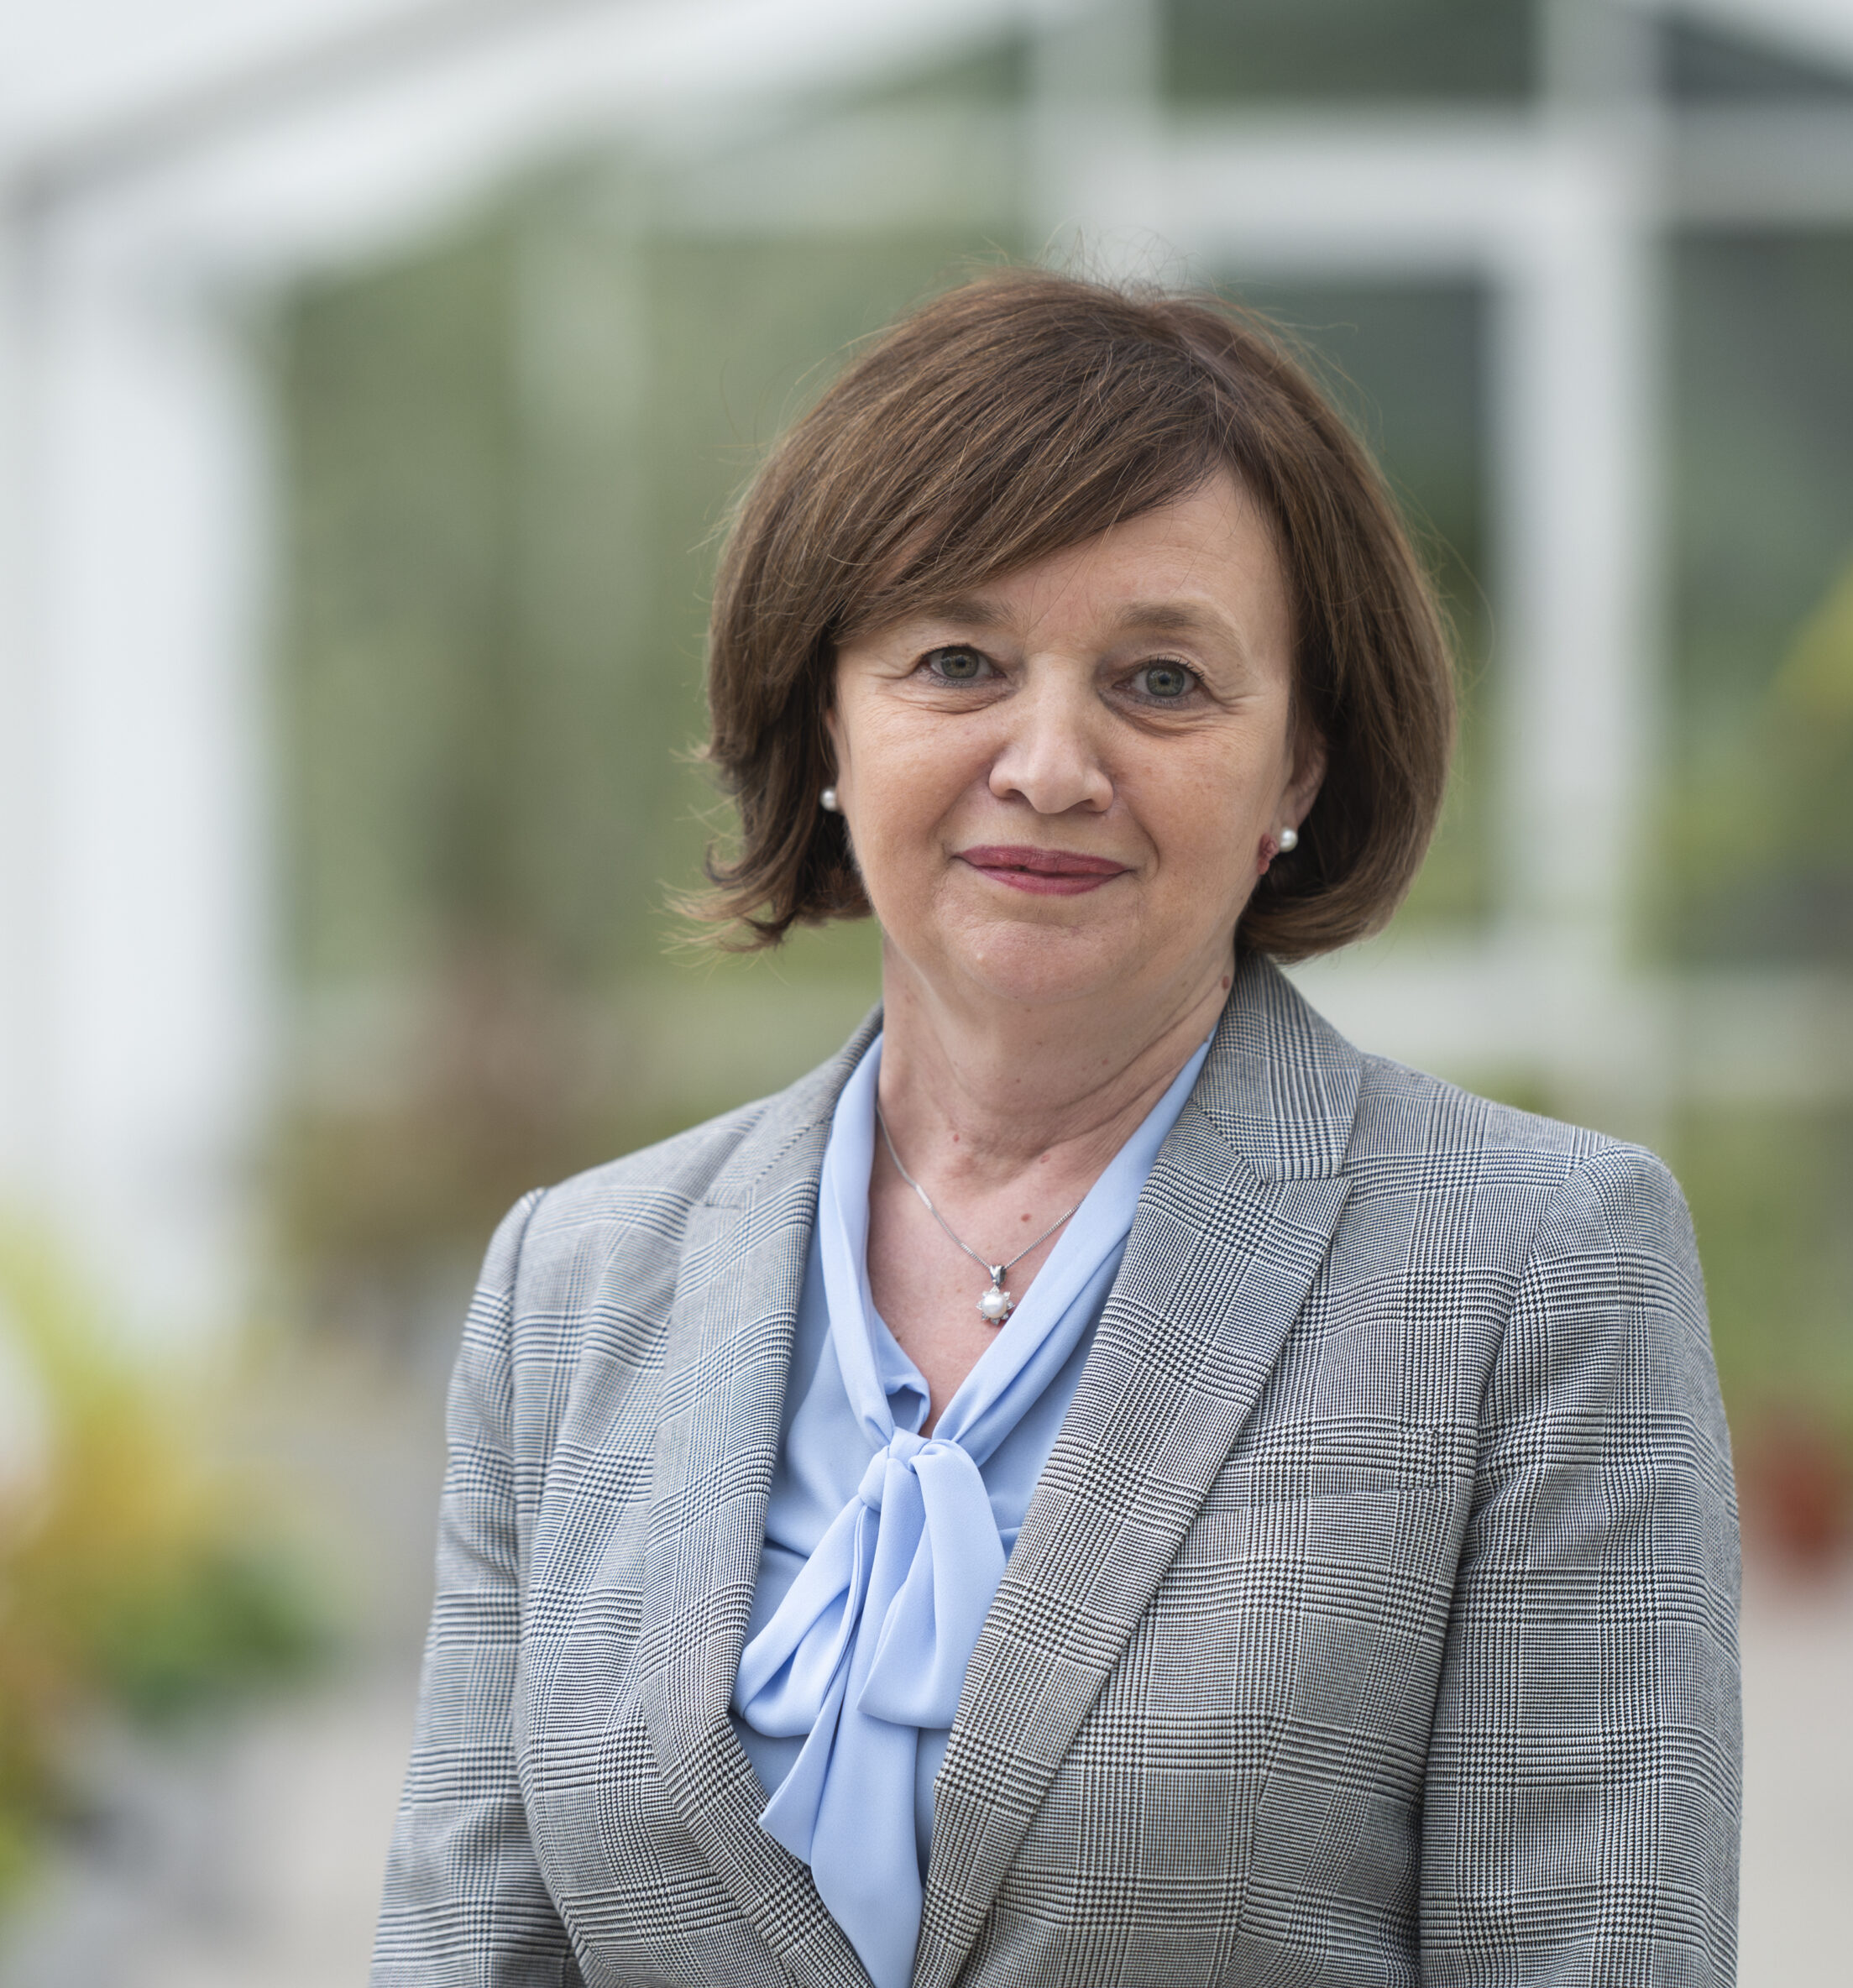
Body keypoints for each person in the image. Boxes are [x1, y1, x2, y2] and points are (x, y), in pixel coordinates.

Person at [373, 269, 1740, 1988]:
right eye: (957, 662)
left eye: (1160, 681)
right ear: (824, 718)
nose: (1048, 762)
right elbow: (466, 1952)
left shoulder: (1535, 1268)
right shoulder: (573, 1283)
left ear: (1299, 767)